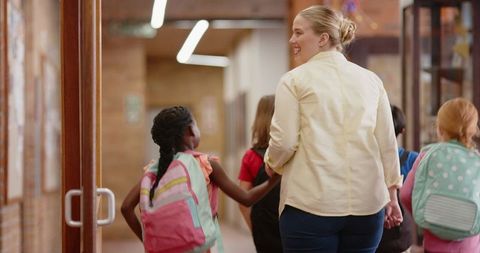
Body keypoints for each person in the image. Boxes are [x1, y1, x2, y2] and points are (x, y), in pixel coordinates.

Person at [263, 5, 403, 253]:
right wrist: (392, 196)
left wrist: (272, 162)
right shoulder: (371, 80)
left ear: (323, 39)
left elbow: (284, 143)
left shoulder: (294, 80)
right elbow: (387, 143)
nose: (291, 39)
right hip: (367, 208)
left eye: (298, 32)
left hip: (311, 205)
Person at [121, 106, 280, 249]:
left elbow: (126, 207)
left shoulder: (155, 168)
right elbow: (246, 198)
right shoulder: (205, 164)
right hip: (202, 245)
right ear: (190, 130)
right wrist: (276, 176)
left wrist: (148, 240)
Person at [400, 98, 480, 253]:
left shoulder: (427, 155)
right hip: (470, 246)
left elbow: (405, 194)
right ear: (472, 128)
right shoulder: (477, 160)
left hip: (434, 245)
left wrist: (425, 214)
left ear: (440, 128)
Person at [237, 95, 283, 252]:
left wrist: (255, 230)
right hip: (294, 225)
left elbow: (243, 200)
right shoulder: (293, 154)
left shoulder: (250, 157)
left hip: (264, 230)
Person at [376, 105, 419, 253]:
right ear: (402, 131)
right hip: (400, 236)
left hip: (371, 234)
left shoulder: (367, 161)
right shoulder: (413, 159)